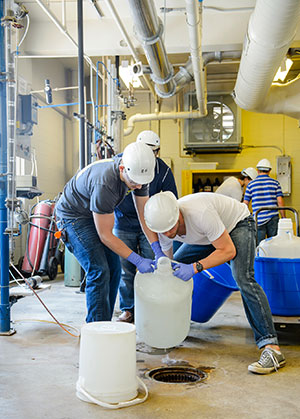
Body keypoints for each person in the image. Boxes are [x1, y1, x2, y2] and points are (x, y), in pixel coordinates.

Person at [143, 191, 285, 374]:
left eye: (171, 227)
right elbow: (170, 265)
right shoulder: (162, 224)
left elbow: (227, 251)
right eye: (163, 231)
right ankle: (174, 328)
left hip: (237, 224)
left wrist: (195, 267)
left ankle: (271, 347)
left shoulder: (200, 213)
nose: (169, 233)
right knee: (175, 270)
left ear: (178, 213)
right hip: (207, 235)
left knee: (243, 278)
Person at [55, 141, 158, 323]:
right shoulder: (105, 182)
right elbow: (106, 235)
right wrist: (137, 259)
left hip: (91, 211)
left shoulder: (139, 175)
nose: (139, 187)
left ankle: (105, 323)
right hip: (73, 217)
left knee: (114, 268)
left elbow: (144, 217)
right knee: (99, 270)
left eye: (143, 183)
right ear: (122, 168)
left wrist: (157, 249)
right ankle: (96, 329)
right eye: (134, 182)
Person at [113, 130, 178, 323]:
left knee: (154, 265)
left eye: (153, 152)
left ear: (158, 152)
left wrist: (164, 242)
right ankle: (128, 309)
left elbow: (171, 199)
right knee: (126, 268)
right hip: (123, 222)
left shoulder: (163, 170)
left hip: (150, 224)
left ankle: (152, 307)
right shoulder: (121, 163)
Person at [244, 158, 285, 244]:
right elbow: (280, 202)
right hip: (273, 217)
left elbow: (245, 204)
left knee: (259, 245)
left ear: (257, 170)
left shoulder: (251, 184)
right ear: (269, 170)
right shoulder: (275, 183)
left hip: (258, 218)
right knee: (273, 244)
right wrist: (283, 217)